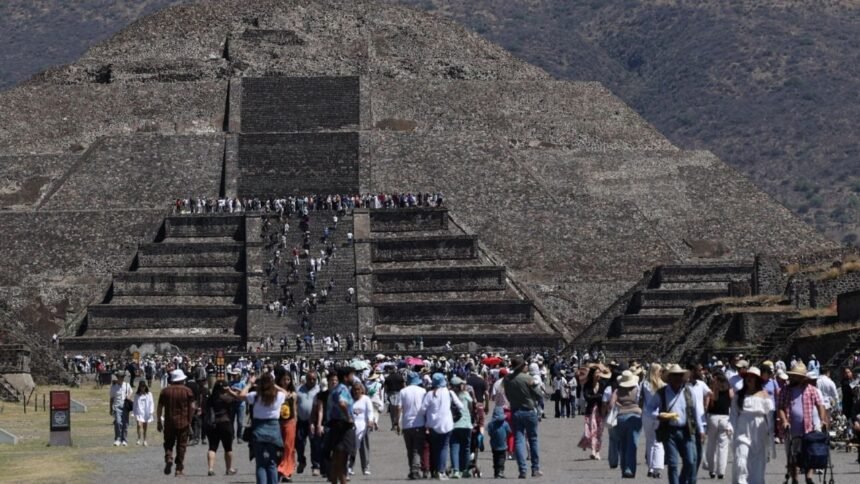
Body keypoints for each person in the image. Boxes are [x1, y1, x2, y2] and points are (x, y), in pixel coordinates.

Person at [645, 364, 705, 484]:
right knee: (672, 464)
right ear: (670, 378)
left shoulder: (689, 391)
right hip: (669, 430)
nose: (678, 378)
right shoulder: (662, 393)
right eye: (675, 376)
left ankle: (682, 481)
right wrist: (657, 416)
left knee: (690, 461)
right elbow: (649, 408)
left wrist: (701, 430)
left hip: (686, 430)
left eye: (680, 376)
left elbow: (695, 411)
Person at [777, 363, 827, 484]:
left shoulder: (811, 389)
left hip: (808, 427)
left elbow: (820, 405)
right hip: (791, 429)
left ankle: (809, 478)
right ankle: (795, 479)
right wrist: (784, 421)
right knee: (793, 456)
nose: (795, 378)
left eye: (797, 376)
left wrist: (822, 419)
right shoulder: (786, 389)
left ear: (803, 378)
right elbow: (780, 408)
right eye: (794, 376)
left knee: (810, 454)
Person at [240, 372, 288, 484]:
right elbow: (286, 392)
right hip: (273, 431)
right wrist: (274, 384)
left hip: (259, 430)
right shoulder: (278, 396)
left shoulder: (256, 396)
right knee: (272, 463)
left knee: (261, 464)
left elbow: (241, 395)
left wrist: (249, 384)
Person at [730, 366, 773, 484]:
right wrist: (731, 427)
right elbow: (733, 414)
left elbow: (769, 415)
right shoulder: (739, 395)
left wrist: (771, 431)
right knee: (741, 458)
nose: (749, 379)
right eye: (747, 376)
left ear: (757, 380)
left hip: (759, 428)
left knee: (758, 459)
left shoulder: (764, 394)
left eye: (752, 377)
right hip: (742, 427)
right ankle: (741, 481)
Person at [503, 356, 543, 479]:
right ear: (521, 367)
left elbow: (508, 395)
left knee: (519, 440)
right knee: (533, 439)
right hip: (529, 410)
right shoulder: (528, 378)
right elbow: (538, 394)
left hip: (515, 410)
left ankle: (522, 470)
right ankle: (535, 468)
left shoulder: (507, 379)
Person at [421, 372, 463, 480]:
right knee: (444, 448)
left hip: (433, 425)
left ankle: (434, 470)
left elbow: (422, 410)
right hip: (447, 424)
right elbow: (460, 406)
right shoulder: (449, 392)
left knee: (434, 448)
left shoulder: (430, 394)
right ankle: (441, 471)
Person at [157, 369, 196, 477]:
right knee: (181, 446)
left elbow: (160, 407)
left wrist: (159, 421)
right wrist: (190, 420)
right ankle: (179, 469)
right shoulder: (187, 391)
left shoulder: (165, 391)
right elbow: (192, 407)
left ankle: (169, 457)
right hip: (183, 422)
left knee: (168, 443)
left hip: (169, 422)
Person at [608, 370, 642, 478]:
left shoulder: (617, 391)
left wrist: (619, 404)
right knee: (632, 444)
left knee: (622, 445)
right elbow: (641, 402)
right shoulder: (637, 389)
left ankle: (624, 468)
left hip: (621, 417)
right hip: (635, 417)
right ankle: (629, 469)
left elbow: (611, 404)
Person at [327, 366, 357, 484]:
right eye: (351, 375)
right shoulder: (343, 389)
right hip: (343, 427)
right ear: (345, 377)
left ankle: (334, 481)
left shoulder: (336, 388)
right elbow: (342, 403)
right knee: (342, 458)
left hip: (335, 425)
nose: (353, 378)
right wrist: (348, 417)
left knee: (337, 458)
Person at [205, 381, 240, 476]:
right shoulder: (226, 398)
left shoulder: (210, 398)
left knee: (212, 447)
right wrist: (230, 391)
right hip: (225, 423)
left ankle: (210, 469)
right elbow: (238, 398)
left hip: (212, 424)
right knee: (228, 448)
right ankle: (229, 469)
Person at [705, 372, 733, 480]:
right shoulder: (728, 388)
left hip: (712, 417)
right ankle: (721, 471)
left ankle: (712, 470)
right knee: (723, 446)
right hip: (725, 418)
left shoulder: (712, 388)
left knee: (711, 444)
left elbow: (707, 405)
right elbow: (732, 398)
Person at [399, 371, 427, 480]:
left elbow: (399, 408)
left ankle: (412, 469)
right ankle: (415, 470)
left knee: (409, 449)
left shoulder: (403, 391)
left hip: (406, 423)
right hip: (419, 422)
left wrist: (397, 422)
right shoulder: (423, 391)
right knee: (417, 448)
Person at [578, 366, 609, 460]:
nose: (599, 374)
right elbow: (587, 397)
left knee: (599, 432)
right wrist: (598, 396)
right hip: (591, 411)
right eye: (597, 372)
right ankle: (592, 449)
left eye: (600, 373)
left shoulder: (603, 384)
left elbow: (604, 397)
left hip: (600, 411)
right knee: (590, 432)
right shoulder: (588, 385)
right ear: (593, 374)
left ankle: (597, 451)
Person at [642, 363, 666, 479]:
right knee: (658, 442)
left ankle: (650, 467)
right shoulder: (663, 385)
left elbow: (640, 399)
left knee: (649, 441)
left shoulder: (644, 384)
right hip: (659, 414)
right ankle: (657, 468)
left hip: (647, 414)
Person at [274, 367, 298, 482]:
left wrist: (295, 421)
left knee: (289, 447)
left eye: (288, 379)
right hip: (278, 422)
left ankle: (287, 471)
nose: (286, 382)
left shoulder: (293, 393)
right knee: (278, 447)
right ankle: (280, 468)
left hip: (289, 422)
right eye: (284, 379)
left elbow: (294, 409)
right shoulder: (276, 392)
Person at [449, 376, 475, 478]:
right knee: (466, 447)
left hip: (453, 424)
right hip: (466, 423)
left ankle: (456, 470)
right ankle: (465, 469)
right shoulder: (465, 394)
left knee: (454, 447)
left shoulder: (450, 395)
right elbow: (471, 407)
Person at [296, 370, 320, 475]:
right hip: (301, 420)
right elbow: (295, 403)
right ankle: (301, 461)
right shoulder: (299, 389)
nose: (311, 380)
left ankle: (315, 466)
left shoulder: (319, 390)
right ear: (306, 379)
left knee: (314, 444)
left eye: (314, 379)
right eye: (309, 378)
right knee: (299, 443)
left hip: (313, 421)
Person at [349, 380, 375, 476]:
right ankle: (350, 467)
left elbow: (370, 411)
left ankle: (365, 468)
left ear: (362, 390)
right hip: (352, 427)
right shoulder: (350, 400)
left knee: (364, 448)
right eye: (355, 390)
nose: (356, 391)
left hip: (363, 427)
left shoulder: (366, 399)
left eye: (358, 389)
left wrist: (370, 421)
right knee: (352, 448)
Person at [109, 371, 133, 447]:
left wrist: (129, 396)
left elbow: (130, 392)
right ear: (117, 378)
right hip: (117, 407)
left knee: (125, 424)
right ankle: (117, 439)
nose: (121, 378)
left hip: (125, 406)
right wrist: (110, 408)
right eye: (120, 377)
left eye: (122, 377)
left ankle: (124, 440)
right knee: (118, 422)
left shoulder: (127, 385)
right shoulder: (114, 387)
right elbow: (111, 398)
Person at [488, 406, 512, 478]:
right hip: (503, 445)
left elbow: (489, 432)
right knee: (502, 458)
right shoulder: (505, 424)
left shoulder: (491, 424)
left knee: (495, 458)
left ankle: (496, 472)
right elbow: (509, 432)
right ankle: (500, 471)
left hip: (494, 444)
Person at [132, 380, 154, 446]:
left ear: (145, 386)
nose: (142, 388)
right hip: (139, 412)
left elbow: (151, 403)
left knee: (145, 427)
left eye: (143, 386)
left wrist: (151, 411)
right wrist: (134, 412)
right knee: (139, 425)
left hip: (146, 412)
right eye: (141, 387)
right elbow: (135, 404)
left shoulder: (149, 394)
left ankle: (144, 440)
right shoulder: (137, 395)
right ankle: (138, 438)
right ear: (139, 387)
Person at [384, 366, 405, 432]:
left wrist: (386, 394)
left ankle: (393, 425)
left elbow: (385, 388)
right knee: (399, 409)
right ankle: (398, 423)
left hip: (391, 394)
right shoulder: (400, 377)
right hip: (399, 393)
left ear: (390, 370)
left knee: (392, 411)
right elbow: (404, 385)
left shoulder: (387, 378)